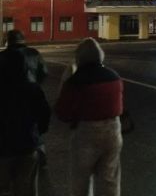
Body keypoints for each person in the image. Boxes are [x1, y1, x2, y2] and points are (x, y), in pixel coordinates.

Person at [55, 38, 123, 196]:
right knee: (110, 180)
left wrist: (65, 81)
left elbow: (62, 112)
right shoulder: (114, 76)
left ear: (80, 58)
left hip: (86, 134)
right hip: (113, 131)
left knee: (81, 181)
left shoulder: (76, 81)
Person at [0, 51, 51, 196]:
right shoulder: (33, 88)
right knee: (26, 187)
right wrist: (38, 132)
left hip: (3, 148)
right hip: (28, 145)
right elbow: (45, 114)